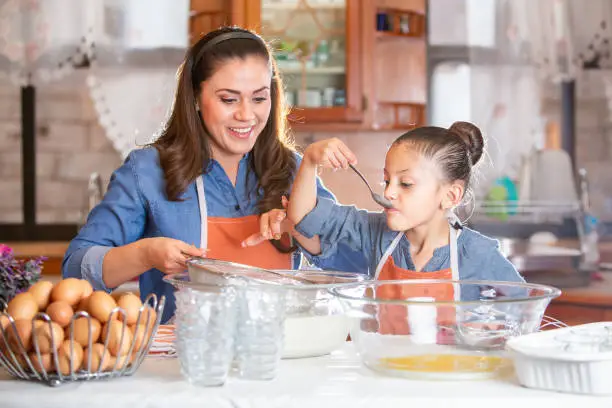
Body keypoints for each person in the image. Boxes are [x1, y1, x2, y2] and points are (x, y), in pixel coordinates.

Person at [62, 26, 367, 324]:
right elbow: (76, 268)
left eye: (259, 98)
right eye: (229, 99)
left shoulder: (292, 170)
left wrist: (300, 224)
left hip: (275, 360)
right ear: (195, 97)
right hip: (186, 365)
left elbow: (357, 266)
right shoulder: (147, 171)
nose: (246, 115)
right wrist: (145, 254)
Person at [287, 122, 524, 333]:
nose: (388, 192)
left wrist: (492, 326)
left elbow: (524, 308)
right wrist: (309, 162)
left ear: (451, 195)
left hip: (450, 377)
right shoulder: (373, 233)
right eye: (387, 180)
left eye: (406, 184)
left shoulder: (478, 253)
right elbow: (304, 219)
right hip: (386, 372)